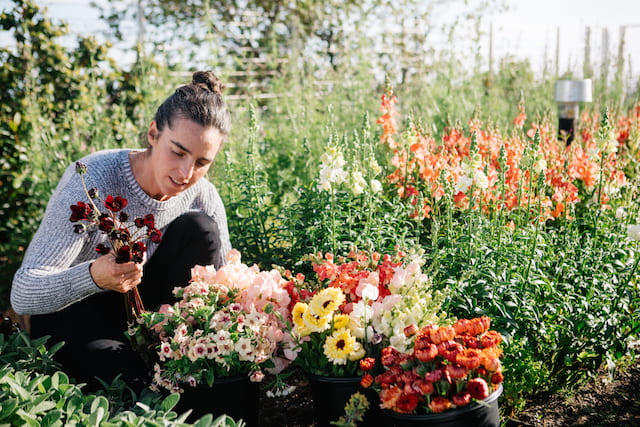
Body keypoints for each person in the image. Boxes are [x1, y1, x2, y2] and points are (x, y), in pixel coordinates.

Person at [10, 70, 232, 392]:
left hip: (145, 311)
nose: (186, 173)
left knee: (201, 227)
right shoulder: (92, 180)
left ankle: (172, 351)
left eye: (201, 163)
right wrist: (93, 276)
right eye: (178, 152)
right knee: (135, 384)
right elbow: (23, 294)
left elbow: (227, 284)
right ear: (153, 134)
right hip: (76, 312)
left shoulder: (201, 195)